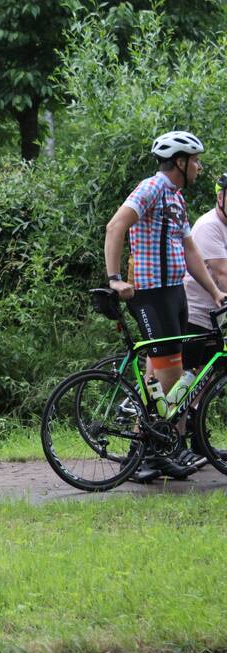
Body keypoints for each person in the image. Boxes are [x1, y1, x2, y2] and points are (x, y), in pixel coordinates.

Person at [104, 130, 227, 481]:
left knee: (165, 383)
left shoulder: (175, 198)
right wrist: (115, 278)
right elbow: (115, 226)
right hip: (152, 294)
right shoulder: (152, 188)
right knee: (171, 379)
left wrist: (215, 293)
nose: (199, 167)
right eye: (196, 161)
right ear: (180, 162)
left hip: (175, 293)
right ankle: (148, 455)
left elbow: (190, 251)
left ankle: (154, 452)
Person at [183, 173, 227, 371]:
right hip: (195, 315)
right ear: (221, 198)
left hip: (213, 317)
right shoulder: (210, 226)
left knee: (207, 377)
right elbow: (222, 275)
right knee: (182, 377)